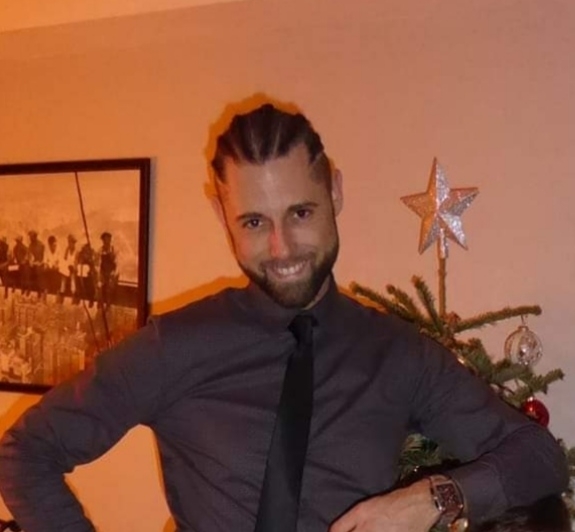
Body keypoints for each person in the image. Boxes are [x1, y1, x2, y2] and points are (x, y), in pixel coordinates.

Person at [0, 100, 569, 532]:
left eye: (300, 213)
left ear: (335, 191)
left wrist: (434, 498)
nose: (281, 249)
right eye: (254, 222)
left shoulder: (397, 353)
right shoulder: (173, 345)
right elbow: (26, 452)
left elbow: (540, 458)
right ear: (221, 213)